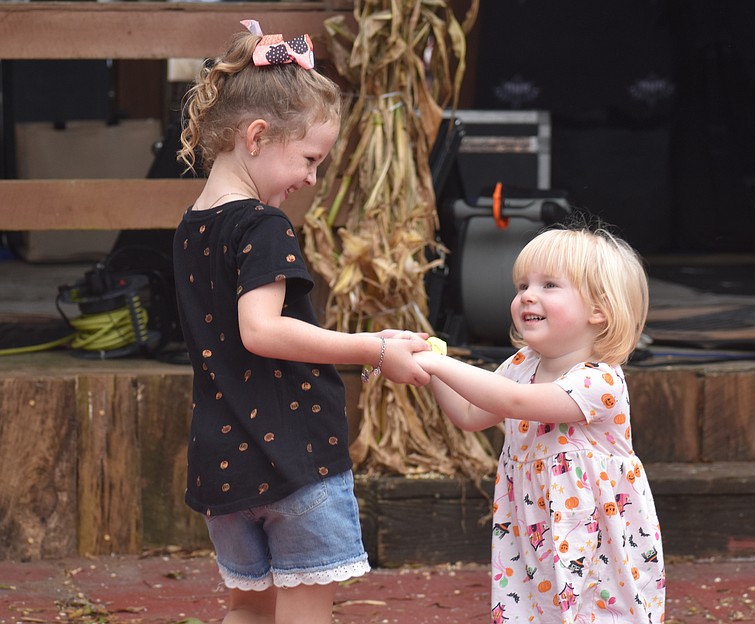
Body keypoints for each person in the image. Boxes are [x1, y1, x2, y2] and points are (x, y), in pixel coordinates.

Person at [172, 20, 431, 624]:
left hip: (222, 460)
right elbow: (260, 330)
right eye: (311, 159)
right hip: (292, 458)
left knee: (250, 611)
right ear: (257, 136)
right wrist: (373, 349)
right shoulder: (262, 225)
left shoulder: (192, 227)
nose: (313, 179)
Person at [414, 225, 665, 623]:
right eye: (521, 286)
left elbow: (514, 402)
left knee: (595, 613)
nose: (527, 295)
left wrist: (438, 363)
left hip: (596, 541)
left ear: (599, 309)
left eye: (549, 285)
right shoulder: (521, 366)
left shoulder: (599, 380)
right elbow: (468, 415)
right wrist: (428, 369)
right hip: (533, 533)